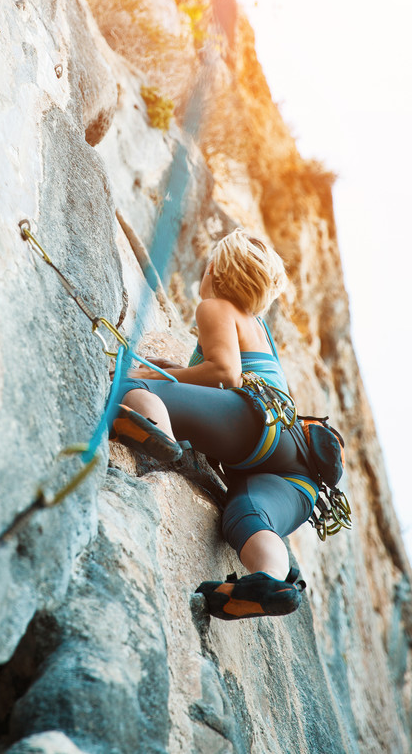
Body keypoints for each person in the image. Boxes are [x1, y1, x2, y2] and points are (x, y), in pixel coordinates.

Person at [111, 228, 315, 620]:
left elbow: (224, 373)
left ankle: (156, 430)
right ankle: (269, 581)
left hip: (253, 425)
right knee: (247, 517)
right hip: (296, 471)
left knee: (126, 385)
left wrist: (151, 376)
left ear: (216, 272)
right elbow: (224, 377)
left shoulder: (215, 305)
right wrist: (177, 373)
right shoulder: (259, 328)